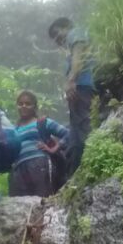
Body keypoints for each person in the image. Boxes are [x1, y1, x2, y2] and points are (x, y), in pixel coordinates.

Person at [48, 17, 96, 175]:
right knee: (75, 135)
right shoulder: (74, 38)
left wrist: (71, 81)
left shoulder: (76, 33)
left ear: (66, 26)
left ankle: (88, 166)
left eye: (57, 34)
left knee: (83, 128)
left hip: (83, 87)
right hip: (80, 90)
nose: (57, 40)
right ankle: (76, 172)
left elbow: (78, 57)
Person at [9, 91, 68, 198]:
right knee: (21, 205)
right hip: (19, 170)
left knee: (43, 200)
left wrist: (54, 149)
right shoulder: (14, 130)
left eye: (28, 103)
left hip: (39, 165)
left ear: (34, 106)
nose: (24, 106)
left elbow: (67, 134)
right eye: (20, 104)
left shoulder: (43, 123)